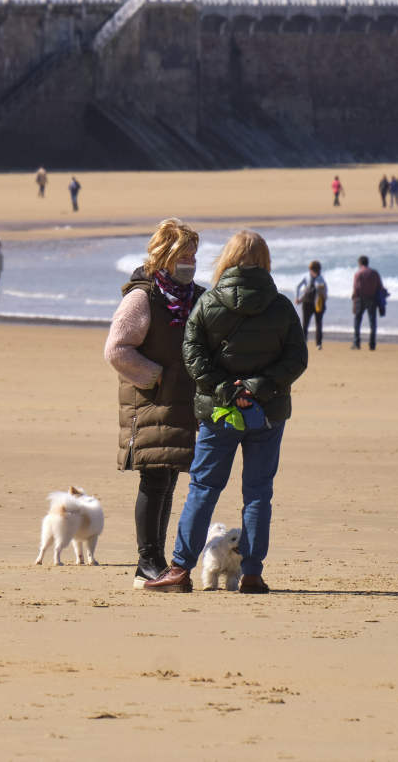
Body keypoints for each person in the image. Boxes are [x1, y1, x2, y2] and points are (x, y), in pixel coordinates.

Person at [144, 230, 308, 594]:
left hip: (219, 411)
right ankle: (250, 572)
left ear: (227, 259)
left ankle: (179, 570)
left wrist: (224, 388)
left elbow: (193, 355)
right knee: (258, 493)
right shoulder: (280, 306)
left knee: (203, 488)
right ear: (265, 262)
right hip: (266, 412)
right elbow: (296, 359)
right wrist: (258, 387)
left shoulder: (209, 302)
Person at [104, 218, 204, 588]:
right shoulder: (142, 297)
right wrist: (157, 376)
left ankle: (156, 560)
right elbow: (116, 350)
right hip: (150, 402)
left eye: (194, 253)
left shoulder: (197, 296)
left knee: (169, 479)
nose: (191, 259)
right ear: (165, 254)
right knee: (154, 479)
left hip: (184, 402)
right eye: (185, 252)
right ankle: (147, 561)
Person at [351, 255, 385, 351]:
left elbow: (356, 288)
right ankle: (372, 344)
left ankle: (357, 343)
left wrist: (354, 301)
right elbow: (380, 287)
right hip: (372, 299)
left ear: (360, 263)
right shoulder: (374, 273)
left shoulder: (358, 274)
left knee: (357, 321)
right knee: (372, 322)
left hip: (360, 299)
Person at [294, 260, 327, 349]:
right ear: (310, 270)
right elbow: (297, 286)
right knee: (305, 324)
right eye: (314, 271)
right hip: (307, 303)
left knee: (319, 324)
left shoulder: (321, 278)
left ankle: (318, 343)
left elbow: (325, 292)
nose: (316, 273)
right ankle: (303, 342)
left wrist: (323, 299)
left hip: (318, 303)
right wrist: (297, 297)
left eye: (317, 271)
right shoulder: (306, 277)